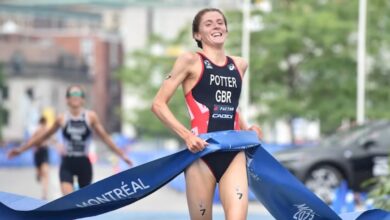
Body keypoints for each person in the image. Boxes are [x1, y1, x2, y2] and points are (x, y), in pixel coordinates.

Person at [151, 8, 262, 220]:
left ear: (227, 30)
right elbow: (158, 104)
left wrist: (248, 129)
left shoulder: (239, 64)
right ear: (197, 35)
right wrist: (186, 135)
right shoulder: (190, 61)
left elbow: (231, 106)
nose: (216, 26)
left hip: (233, 152)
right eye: (209, 23)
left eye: (220, 22)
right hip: (202, 154)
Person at [8, 85, 132, 195]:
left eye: (78, 94)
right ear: (67, 99)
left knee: (83, 201)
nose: (75, 97)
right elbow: (41, 137)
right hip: (67, 163)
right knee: (68, 198)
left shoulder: (91, 117)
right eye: (72, 94)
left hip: (84, 163)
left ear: (83, 99)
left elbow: (105, 138)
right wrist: (20, 150)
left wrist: (122, 155)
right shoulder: (62, 118)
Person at [31, 116, 50, 200]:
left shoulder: (47, 130)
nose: (43, 126)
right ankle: (38, 174)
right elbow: (31, 140)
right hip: (38, 152)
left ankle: (44, 193)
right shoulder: (37, 130)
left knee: (45, 172)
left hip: (44, 151)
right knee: (40, 172)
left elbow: (52, 139)